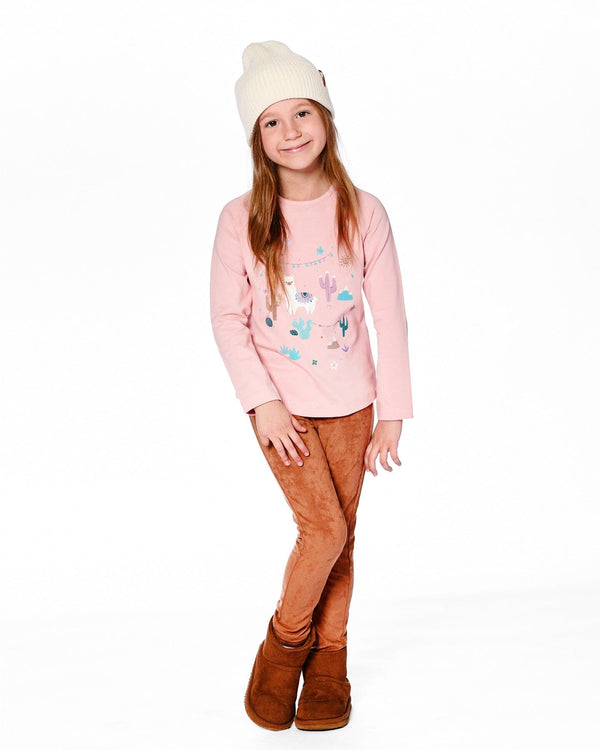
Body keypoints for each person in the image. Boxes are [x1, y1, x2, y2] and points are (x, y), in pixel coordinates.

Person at [209, 40, 413, 732]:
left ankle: (331, 662)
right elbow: (227, 319)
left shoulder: (364, 211)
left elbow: (390, 313)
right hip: (283, 412)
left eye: (302, 112)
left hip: (354, 404)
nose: (291, 130)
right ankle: (284, 647)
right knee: (322, 531)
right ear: (256, 138)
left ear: (325, 115)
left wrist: (393, 410)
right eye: (272, 120)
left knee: (342, 540)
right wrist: (261, 402)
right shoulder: (241, 219)